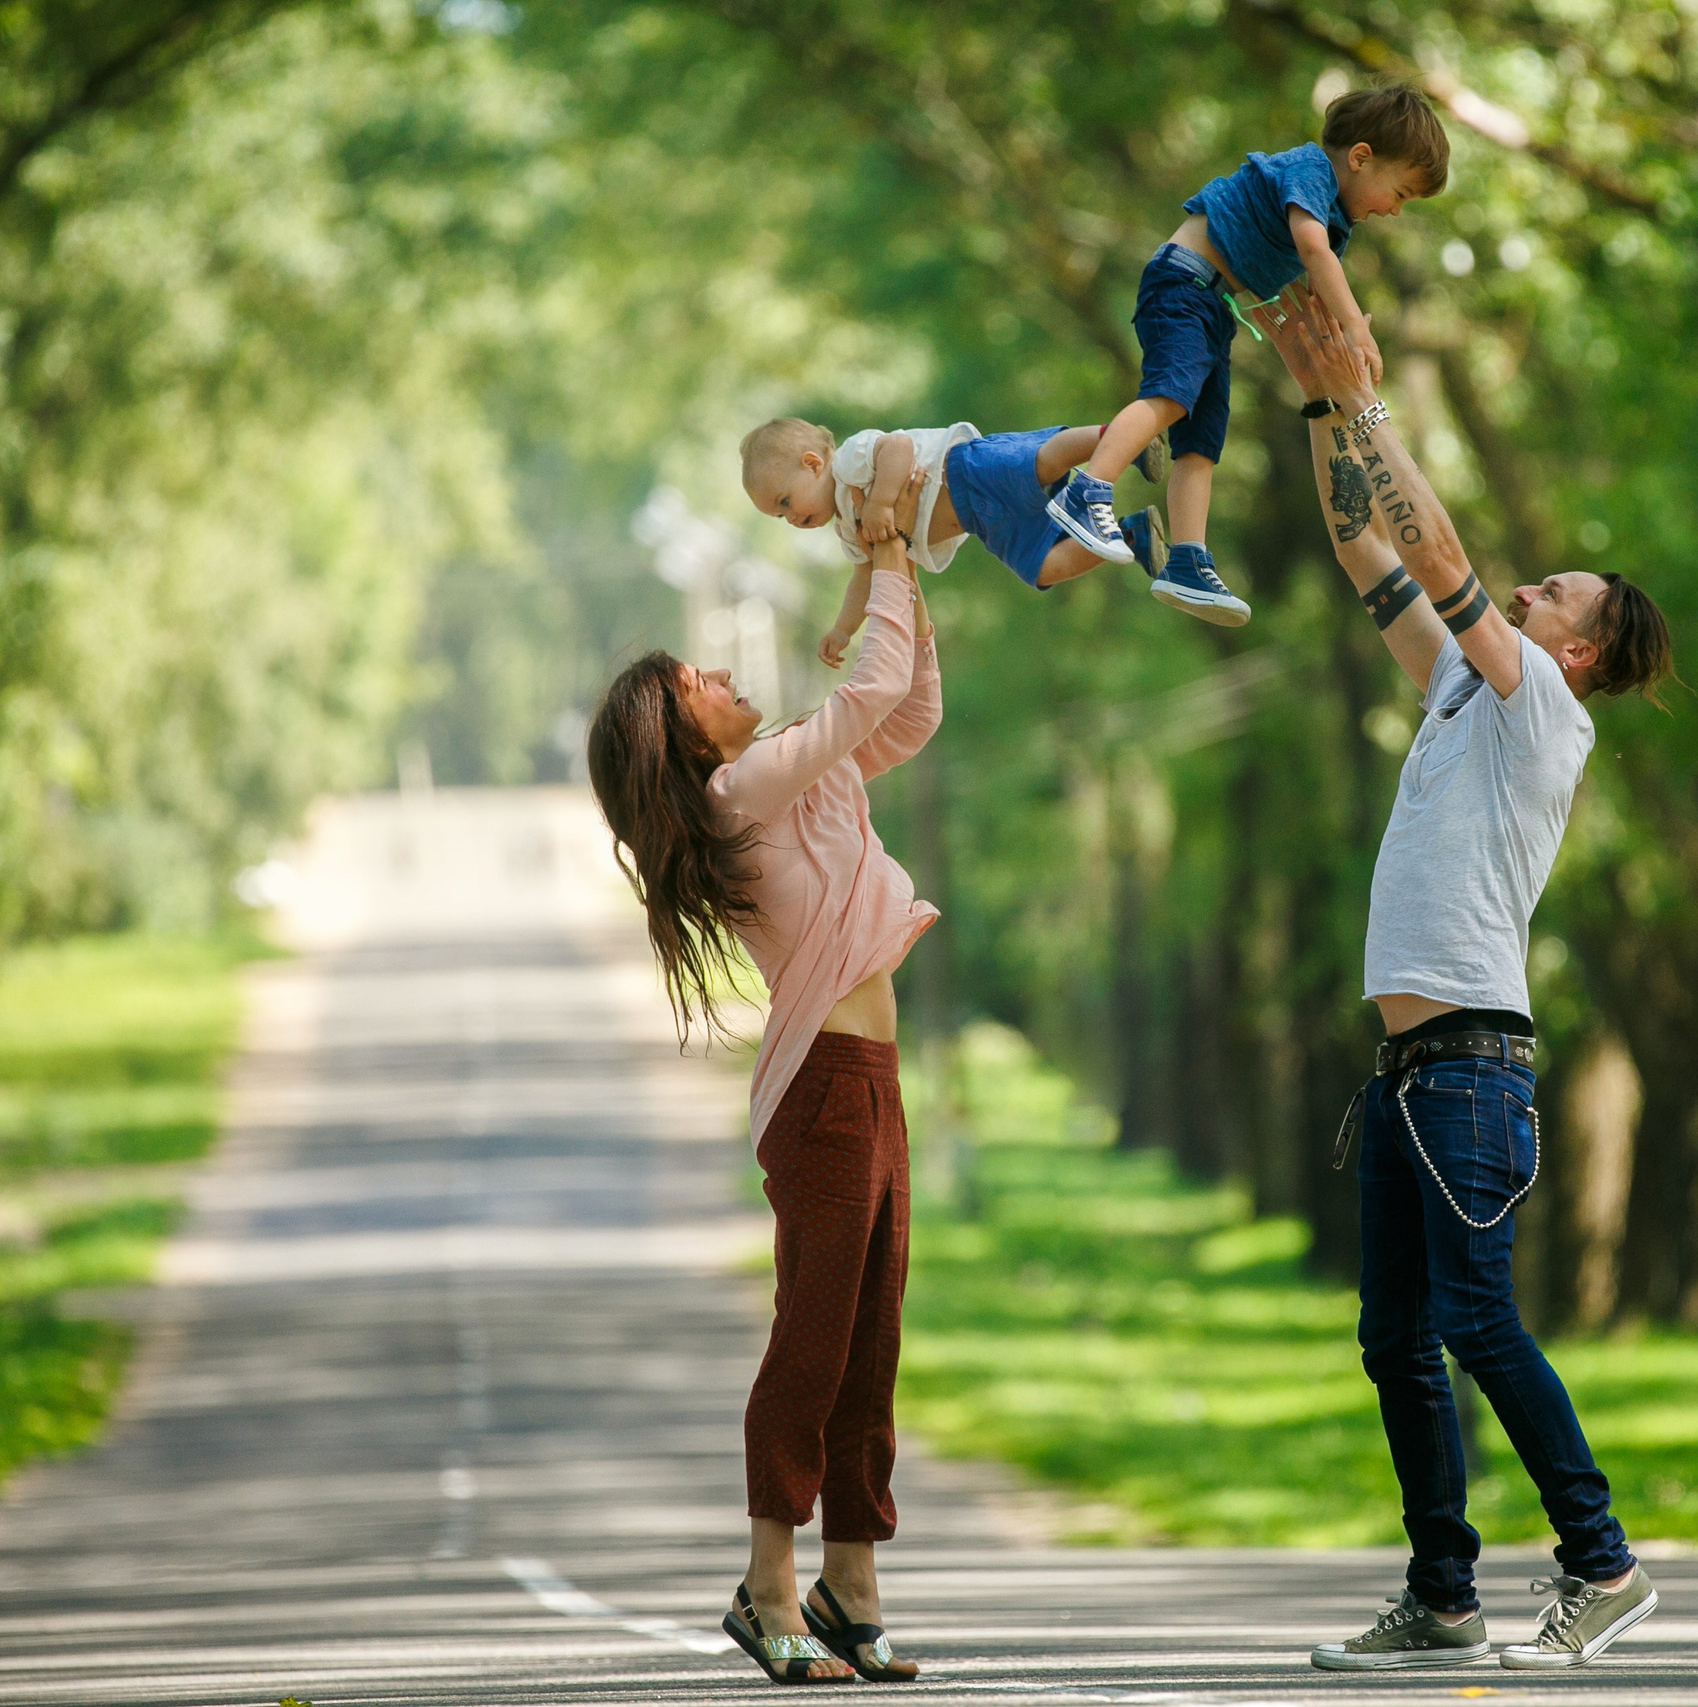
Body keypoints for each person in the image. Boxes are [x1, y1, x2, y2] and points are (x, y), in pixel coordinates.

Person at [1267, 287, 1677, 1673]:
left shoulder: (1541, 707)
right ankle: (1443, 1595)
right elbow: (1365, 544)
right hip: (1406, 1073)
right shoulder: (1458, 684)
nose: (1532, 580)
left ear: (1579, 652)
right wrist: (1323, 402)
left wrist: (1372, 395)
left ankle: (1601, 1559)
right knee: (1397, 1337)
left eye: (1559, 588)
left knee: (1476, 1316)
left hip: (1472, 1065)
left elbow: (1437, 548)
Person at [585, 539, 943, 1686]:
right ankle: (768, 1584)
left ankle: (852, 1583)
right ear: (692, 741)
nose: (727, 680)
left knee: (869, 1343)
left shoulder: (802, 778)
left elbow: (908, 708)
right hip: (824, 1094)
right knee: (814, 1339)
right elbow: (870, 690)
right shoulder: (747, 788)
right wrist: (883, 546)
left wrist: (904, 582)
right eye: (701, 683)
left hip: (873, 1085)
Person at [1040, 82, 1452, 626]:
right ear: (1360, 159)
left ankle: (1187, 557)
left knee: (1202, 441)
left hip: (1212, 306)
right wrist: (1356, 327)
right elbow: (1311, 252)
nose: (1395, 211)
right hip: (1183, 285)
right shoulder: (1311, 173)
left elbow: (1308, 284)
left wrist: (1326, 351)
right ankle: (1087, 491)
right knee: (1169, 399)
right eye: (1399, 194)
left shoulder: (1335, 218)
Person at [741, 416, 1174, 665]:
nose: (791, 518)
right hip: (981, 522)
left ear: (813, 463)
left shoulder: (850, 463)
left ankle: (1123, 438)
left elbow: (898, 449)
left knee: (1042, 461)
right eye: (779, 516)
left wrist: (883, 502)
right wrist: (842, 629)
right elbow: (864, 580)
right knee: (1044, 567)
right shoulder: (848, 533)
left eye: (785, 501)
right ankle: (1132, 535)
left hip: (965, 472)